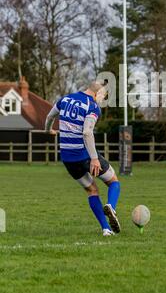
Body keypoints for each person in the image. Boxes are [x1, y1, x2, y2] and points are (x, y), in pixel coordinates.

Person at [44, 81, 121, 237]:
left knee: (92, 190)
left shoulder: (64, 99)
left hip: (67, 158)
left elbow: (49, 116)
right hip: (84, 154)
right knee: (113, 181)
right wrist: (94, 159)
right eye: (103, 95)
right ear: (97, 93)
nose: (103, 99)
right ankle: (111, 206)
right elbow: (87, 132)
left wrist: (48, 130)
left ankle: (106, 229)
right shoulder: (92, 107)